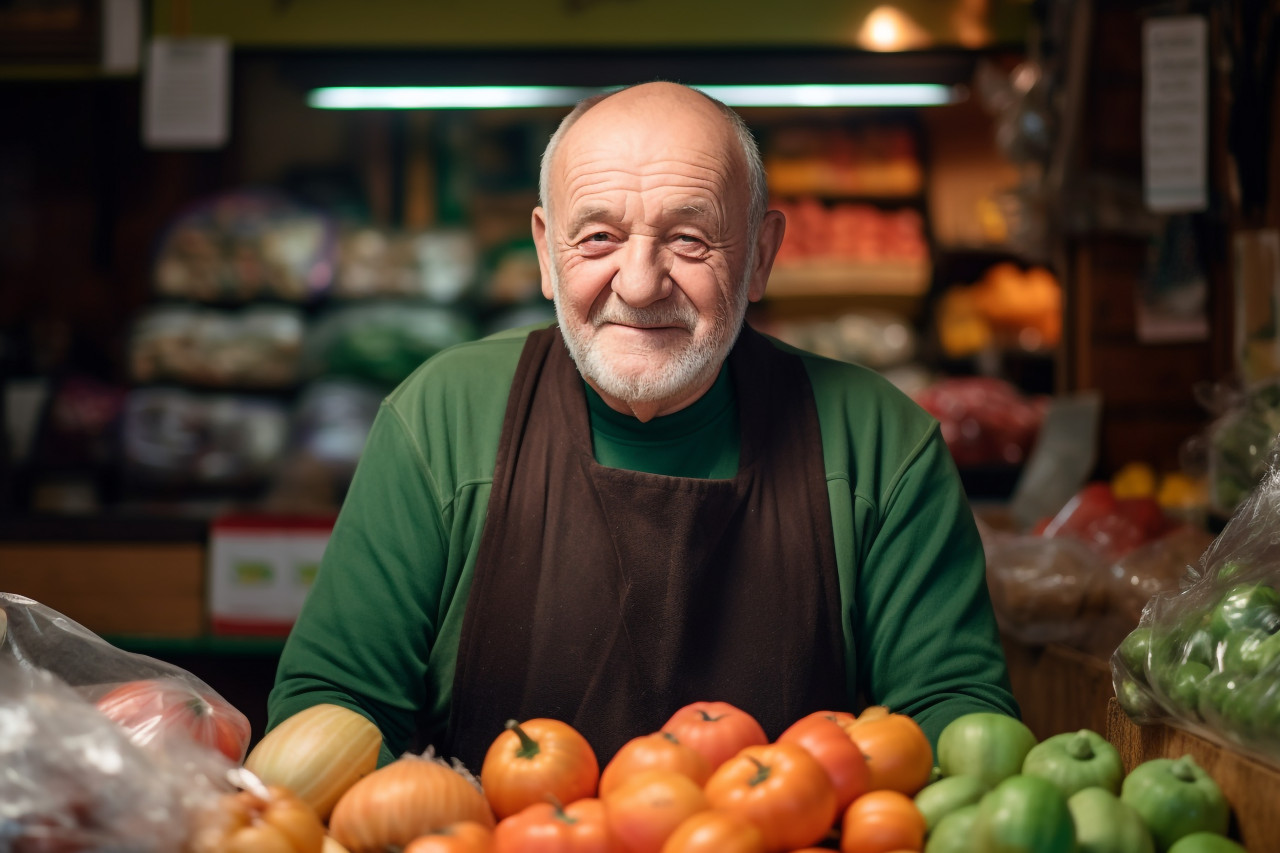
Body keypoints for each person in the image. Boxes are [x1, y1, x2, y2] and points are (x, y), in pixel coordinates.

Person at [267, 81, 1019, 772]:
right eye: (597, 238)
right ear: (544, 253)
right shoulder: (442, 418)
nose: (639, 282)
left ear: (759, 255)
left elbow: (958, 731)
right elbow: (336, 708)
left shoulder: (882, 444)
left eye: (690, 239)